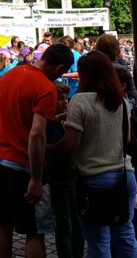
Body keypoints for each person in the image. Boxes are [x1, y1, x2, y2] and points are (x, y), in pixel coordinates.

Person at [0, 43, 74, 258]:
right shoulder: (46, 88)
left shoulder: (10, 75)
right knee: (35, 231)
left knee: (3, 222)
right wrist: (36, 179)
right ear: (59, 69)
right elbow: (36, 134)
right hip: (22, 164)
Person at [50, 51, 137, 258]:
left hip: (94, 178)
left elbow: (70, 143)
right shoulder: (122, 102)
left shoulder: (80, 100)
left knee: (98, 241)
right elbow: (125, 139)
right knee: (125, 235)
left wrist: (48, 148)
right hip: (124, 174)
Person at [46, 81, 83, 258]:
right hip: (58, 178)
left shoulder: (68, 120)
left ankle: (77, 253)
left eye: (66, 98)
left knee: (77, 222)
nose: (64, 102)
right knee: (64, 223)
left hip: (73, 177)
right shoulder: (47, 123)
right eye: (59, 99)